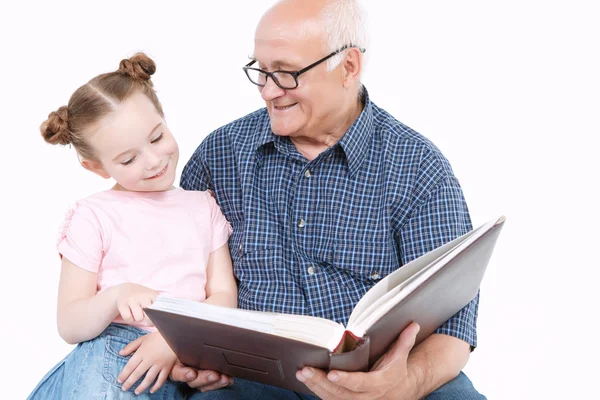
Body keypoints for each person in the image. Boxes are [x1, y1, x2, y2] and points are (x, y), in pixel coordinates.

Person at [126, 1, 485, 399]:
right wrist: (186, 350)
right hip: (251, 379)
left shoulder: (418, 166)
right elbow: (171, 271)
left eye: (286, 73)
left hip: (386, 375)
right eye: (260, 70)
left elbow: (455, 323)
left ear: (348, 66)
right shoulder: (221, 153)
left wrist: (406, 385)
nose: (267, 90)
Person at [27, 53, 238, 400]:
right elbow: (70, 323)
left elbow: (224, 297)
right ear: (97, 167)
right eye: (128, 159)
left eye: (157, 138)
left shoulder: (203, 207)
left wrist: (174, 339)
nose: (154, 160)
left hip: (189, 355)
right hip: (117, 356)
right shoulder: (93, 216)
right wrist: (116, 296)